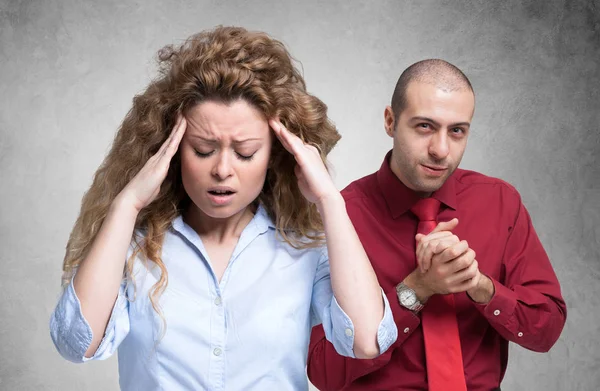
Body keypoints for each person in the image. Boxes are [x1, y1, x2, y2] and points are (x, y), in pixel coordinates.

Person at [49, 26, 397, 391]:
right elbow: (75, 342)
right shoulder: (133, 247)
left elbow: (368, 340)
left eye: (245, 153)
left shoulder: (305, 248)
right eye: (202, 150)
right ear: (173, 148)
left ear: (274, 155)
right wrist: (127, 204)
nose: (222, 169)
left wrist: (329, 200)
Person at [307, 59, 566, 391]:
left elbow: (546, 332)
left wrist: (481, 287)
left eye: (457, 130)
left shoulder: (501, 203)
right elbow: (323, 373)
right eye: (425, 127)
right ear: (390, 121)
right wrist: (415, 290)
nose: (441, 150)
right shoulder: (339, 217)